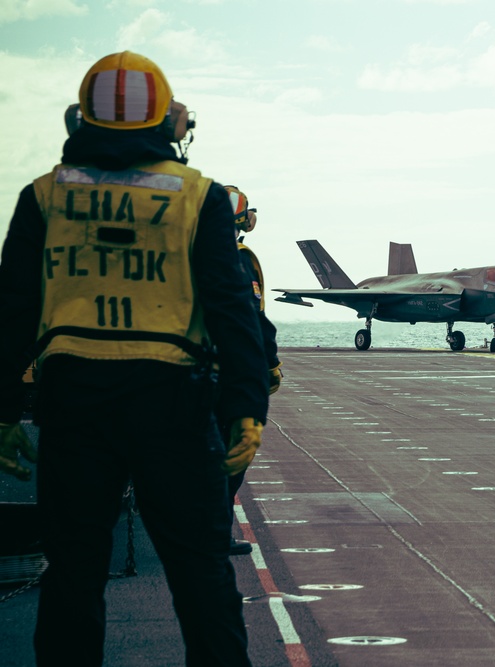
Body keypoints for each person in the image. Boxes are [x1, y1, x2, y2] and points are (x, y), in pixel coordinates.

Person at [0, 51, 268, 666]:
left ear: (77, 121)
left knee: (71, 576)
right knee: (202, 577)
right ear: (172, 124)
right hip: (171, 404)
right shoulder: (195, 197)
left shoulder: (44, 196)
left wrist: (4, 408)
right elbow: (234, 313)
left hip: (73, 404)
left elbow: (11, 312)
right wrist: (246, 407)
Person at [223, 185, 281, 555]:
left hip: (181, 371)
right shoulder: (240, 258)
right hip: (231, 374)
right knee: (234, 454)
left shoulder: (182, 255)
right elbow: (251, 318)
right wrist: (271, 363)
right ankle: (214, 533)